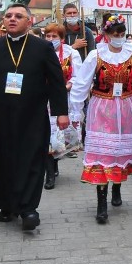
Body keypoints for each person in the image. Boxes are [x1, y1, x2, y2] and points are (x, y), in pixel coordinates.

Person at [0, 3, 69, 231]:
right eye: (8, 16)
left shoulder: (42, 47)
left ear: (29, 21)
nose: (12, 19)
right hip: (1, 114)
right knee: (3, 160)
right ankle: (6, 205)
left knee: (31, 160)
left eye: (18, 16)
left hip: (32, 114)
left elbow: (56, 80)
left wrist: (61, 112)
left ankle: (28, 208)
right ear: (3, 21)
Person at [70, 14, 132, 224]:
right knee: (104, 153)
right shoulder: (96, 55)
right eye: (115, 34)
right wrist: (76, 112)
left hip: (127, 107)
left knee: (120, 150)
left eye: (123, 34)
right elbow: (81, 84)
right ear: (106, 35)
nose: (119, 38)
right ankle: (101, 202)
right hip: (102, 108)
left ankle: (117, 187)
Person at [42, 23, 82, 190]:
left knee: (60, 136)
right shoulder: (40, 51)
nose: (51, 40)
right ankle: (49, 174)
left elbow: (78, 76)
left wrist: (66, 86)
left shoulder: (71, 53)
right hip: (44, 99)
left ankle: (55, 164)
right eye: (48, 36)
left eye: (54, 37)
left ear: (62, 39)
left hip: (64, 98)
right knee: (47, 136)